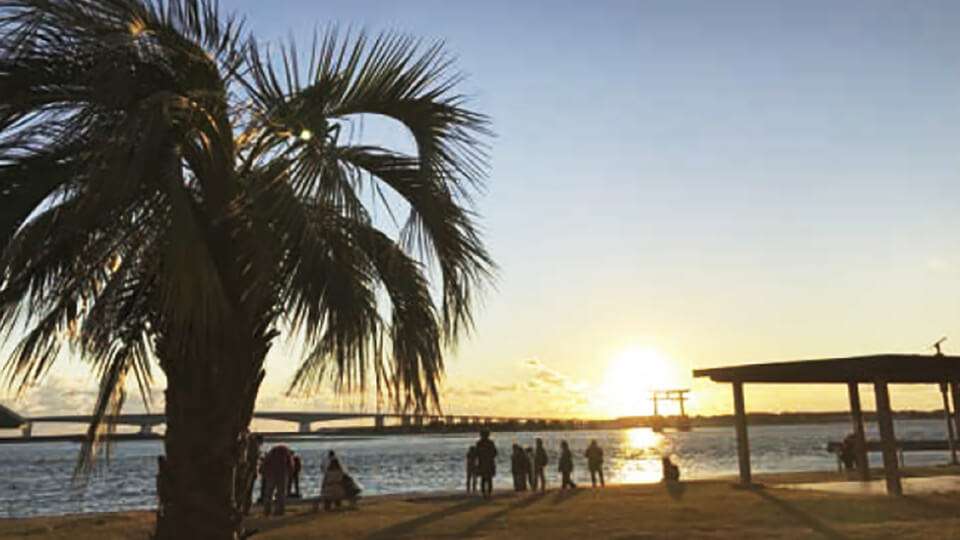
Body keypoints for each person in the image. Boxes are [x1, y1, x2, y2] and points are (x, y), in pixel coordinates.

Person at [261, 444, 295, 516]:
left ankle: (267, 510)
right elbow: (291, 465)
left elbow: (265, 462)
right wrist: (290, 473)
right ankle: (279, 510)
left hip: (271, 473)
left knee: (269, 492)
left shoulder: (272, 452)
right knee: (281, 493)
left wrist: (264, 472)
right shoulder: (286, 452)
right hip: (282, 474)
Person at [475, 430, 498, 499]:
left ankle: (484, 493)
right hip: (489, 463)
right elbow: (495, 453)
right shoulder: (490, 443)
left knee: (483, 479)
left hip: (482, 463)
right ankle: (488, 493)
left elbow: (476, 453)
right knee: (489, 479)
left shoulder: (479, 443)